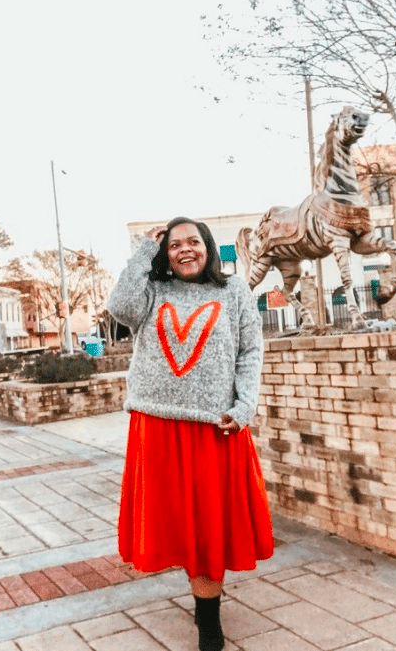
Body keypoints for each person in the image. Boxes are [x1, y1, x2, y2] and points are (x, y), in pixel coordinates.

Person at [107, 217, 273, 651]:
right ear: (166, 252)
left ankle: (209, 622)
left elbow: (251, 351)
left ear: (208, 247)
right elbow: (120, 308)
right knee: (174, 527)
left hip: (213, 429)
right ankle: (200, 602)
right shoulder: (152, 289)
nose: (185, 249)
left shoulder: (233, 291)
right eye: (175, 243)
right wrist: (144, 252)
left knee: (207, 530)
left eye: (193, 241)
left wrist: (244, 407)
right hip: (157, 425)